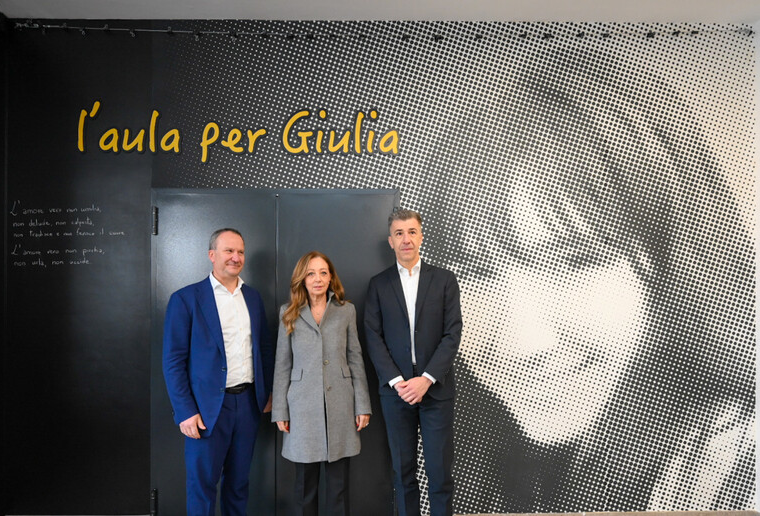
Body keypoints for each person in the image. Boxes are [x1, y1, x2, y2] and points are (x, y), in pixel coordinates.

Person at [416, 50, 755, 513]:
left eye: (572, 262)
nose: (524, 344)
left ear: (669, 258)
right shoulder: (452, 453)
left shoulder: (736, 467)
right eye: (474, 273)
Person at [162, 228, 274, 516]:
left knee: (239, 484)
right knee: (202, 486)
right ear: (212, 255)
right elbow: (173, 360)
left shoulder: (252, 297)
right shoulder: (186, 299)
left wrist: (267, 393)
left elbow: (263, 349)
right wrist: (185, 411)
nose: (236, 257)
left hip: (248, 405)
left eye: (240, 252)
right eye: (229, 251)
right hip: (205, 409)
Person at [364, 208, 462, 516]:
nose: (406, 239)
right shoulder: (378, 284)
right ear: (390, 241)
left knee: (439, 473)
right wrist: (399, 382)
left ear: (421, 236)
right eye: (399, 233)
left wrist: (427, 378)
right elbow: (373, 336)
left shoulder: (444, 280)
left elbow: (452, 333)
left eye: (411, 232)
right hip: (396, 394)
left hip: (436, 391)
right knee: (402, 473)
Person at [272, 251, 372, 516]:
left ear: (330, 278)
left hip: (340, 404)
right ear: (302, 279)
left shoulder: (345, 310)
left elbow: (355, 358)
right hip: (302, 408)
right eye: (311, 273)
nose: (317, 279)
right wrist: (280, 410)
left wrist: (362, 405)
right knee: (305, 487)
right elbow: (282, 364)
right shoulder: (288, 313)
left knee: (338, 487)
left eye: (323, 273)